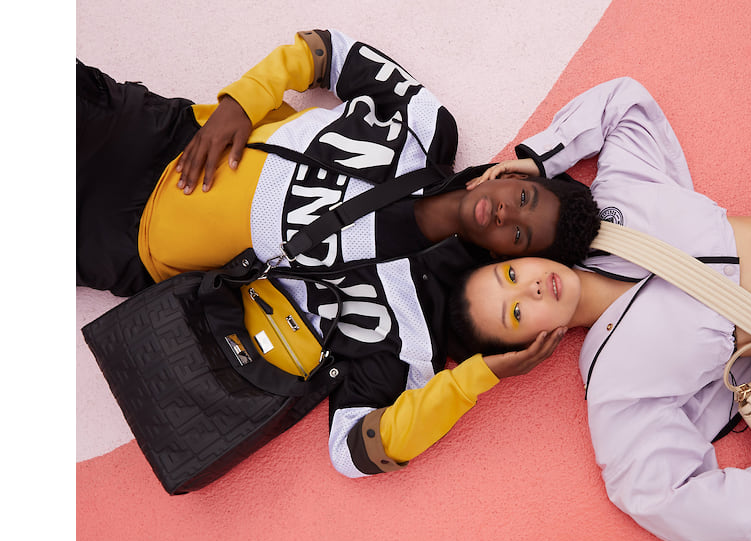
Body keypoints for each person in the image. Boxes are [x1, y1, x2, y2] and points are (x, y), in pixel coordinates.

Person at [77, 28, 600, 479]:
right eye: (524, 198)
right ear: (512, 175)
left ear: (502, 256)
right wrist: (242, 102)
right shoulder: (426, 127)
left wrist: (476, 378)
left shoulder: (408, 327)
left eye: (520, 236)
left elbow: (353, 450)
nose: (508, 214)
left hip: (126, 248)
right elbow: (326, 51)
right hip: (159, 137)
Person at [446, 78, 751, 541]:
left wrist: (541, 157)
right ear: (529, 347)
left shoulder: (610, 208)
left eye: (510, 275)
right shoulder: (616, 380)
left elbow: (623, 103)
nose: (530, 288)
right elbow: (659, 499)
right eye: (516, 314)